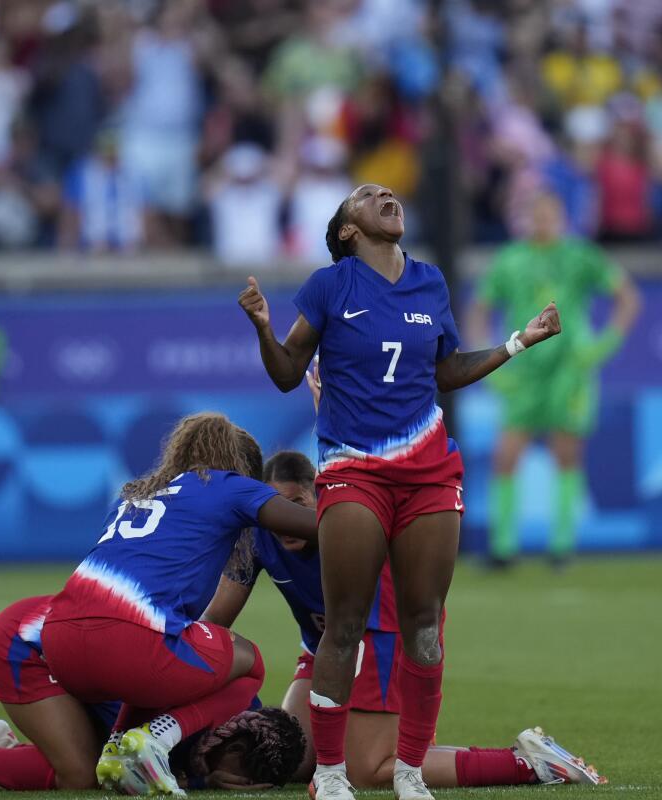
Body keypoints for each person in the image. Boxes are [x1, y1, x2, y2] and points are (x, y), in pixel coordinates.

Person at [237, 182, 565, 800]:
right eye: (367, 195)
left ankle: (411, 771)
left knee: (424, 626)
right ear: (346, 231)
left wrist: (518, 342)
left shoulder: (430, 281)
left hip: (430, 472)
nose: (386, 194)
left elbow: (446, 370)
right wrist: (262, 327)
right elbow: (287, 374)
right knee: (345, 626)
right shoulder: (330, 285)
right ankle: (331, 776)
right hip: (354, 469)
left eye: (388, 192)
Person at [204, 450, 604, 789]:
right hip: (324, 655)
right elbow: (216, 622)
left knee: (369, 770)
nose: (287, 518)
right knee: (291, 757)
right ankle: (405, 741)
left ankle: (528, 764)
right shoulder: (257, 537)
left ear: (320, 496)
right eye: (280, 506)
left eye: (300, 503)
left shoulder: (348, 523)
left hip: (381, 642)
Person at [29, 412, 316, 795]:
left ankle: (119, 747)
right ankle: (157, 740)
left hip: (58, 640)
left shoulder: (136, 493)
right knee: (248, 661)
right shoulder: (229, 485)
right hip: (129, 640)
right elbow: (315, 525)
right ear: (239, 467)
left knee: (156, 673)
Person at [0, 595, 304, 792]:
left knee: (101, 759)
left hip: (86, 661)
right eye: (239, 781)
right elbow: (125, 734)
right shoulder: (211, 687)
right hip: (28, 644)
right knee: (83, 774)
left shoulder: (240, 720)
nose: (233, 788)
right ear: (233, 748)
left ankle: (4, 748)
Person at [467, 191, 641, 567]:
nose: (543, 221)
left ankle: (561, 548)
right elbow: (478, 310)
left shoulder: (581, 255)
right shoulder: (510, 260)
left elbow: (628, 298)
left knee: (566, 455)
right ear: (526, 219)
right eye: (537, 214)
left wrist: (601, 347)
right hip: (523, 372)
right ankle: (503, 549)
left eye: (550, 214)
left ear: (562, 218)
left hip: (569, 371)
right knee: (505, 456)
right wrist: (488, 362)